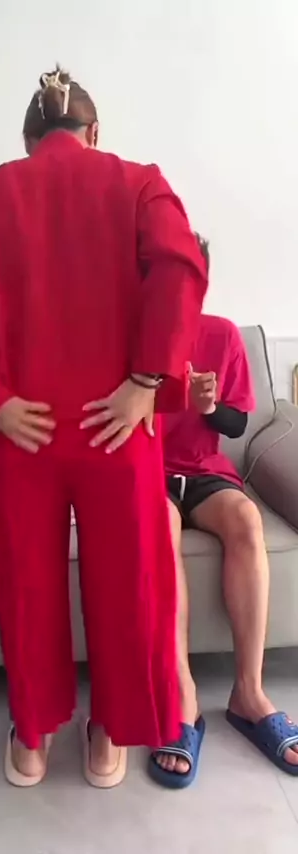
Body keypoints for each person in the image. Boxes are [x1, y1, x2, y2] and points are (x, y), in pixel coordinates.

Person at [0, 66, 208, 788]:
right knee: (129, 584)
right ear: (94, 132)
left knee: (26, 583)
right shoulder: (140, 183)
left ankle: (31, 734)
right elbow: (181, 266)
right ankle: (109, 732)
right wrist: (146, 382)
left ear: (28, 140)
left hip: (24, 431)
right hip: (119, 427)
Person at [148, 236, 298, 789]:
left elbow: (236, 424)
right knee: (159, 528)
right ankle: (183, 694)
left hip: (206, 471)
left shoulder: (223, 335)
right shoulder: (128, 340)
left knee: (246, 522)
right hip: (150, 473)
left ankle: (248, 693)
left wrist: (208, 407)